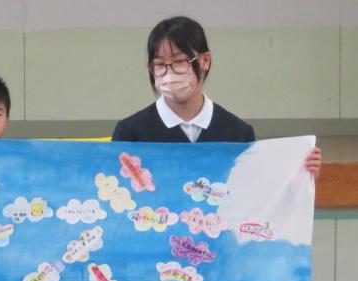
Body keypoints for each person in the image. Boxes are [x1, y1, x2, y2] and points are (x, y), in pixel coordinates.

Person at [112, 16, 321, 176]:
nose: (169, 73)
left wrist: (300, 174)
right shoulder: (130, 132)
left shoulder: (238, 133)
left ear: (205, 61)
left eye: (179, 61)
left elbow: (256, 194)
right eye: (159, 64)